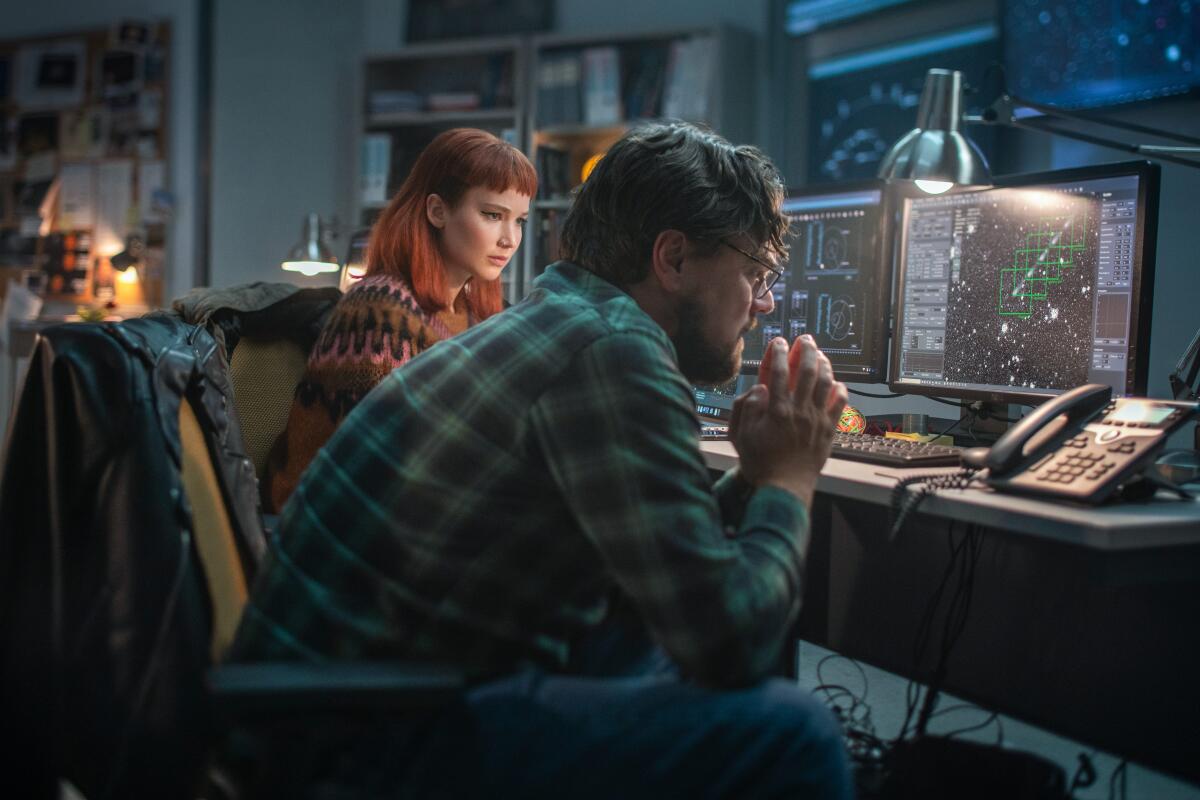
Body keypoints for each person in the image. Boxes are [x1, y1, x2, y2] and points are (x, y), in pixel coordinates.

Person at [232, 121, 853, 799]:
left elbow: (665, 562)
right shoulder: (613, 351)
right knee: (797, 732)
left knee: (650, 643)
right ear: (672, 260)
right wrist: (791, 478)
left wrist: (758, 475)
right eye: (755, 274)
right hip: (356, 741)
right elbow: (731, 642)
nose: (762, 304)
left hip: (341, 701)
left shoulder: (571, 319)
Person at [261, 127, 536, 512]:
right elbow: (383, 467)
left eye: (520, 220)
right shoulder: (380, 309)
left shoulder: (474, 312)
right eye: (493, 215)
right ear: (437, 210)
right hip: (337, 521)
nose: (509, 238)